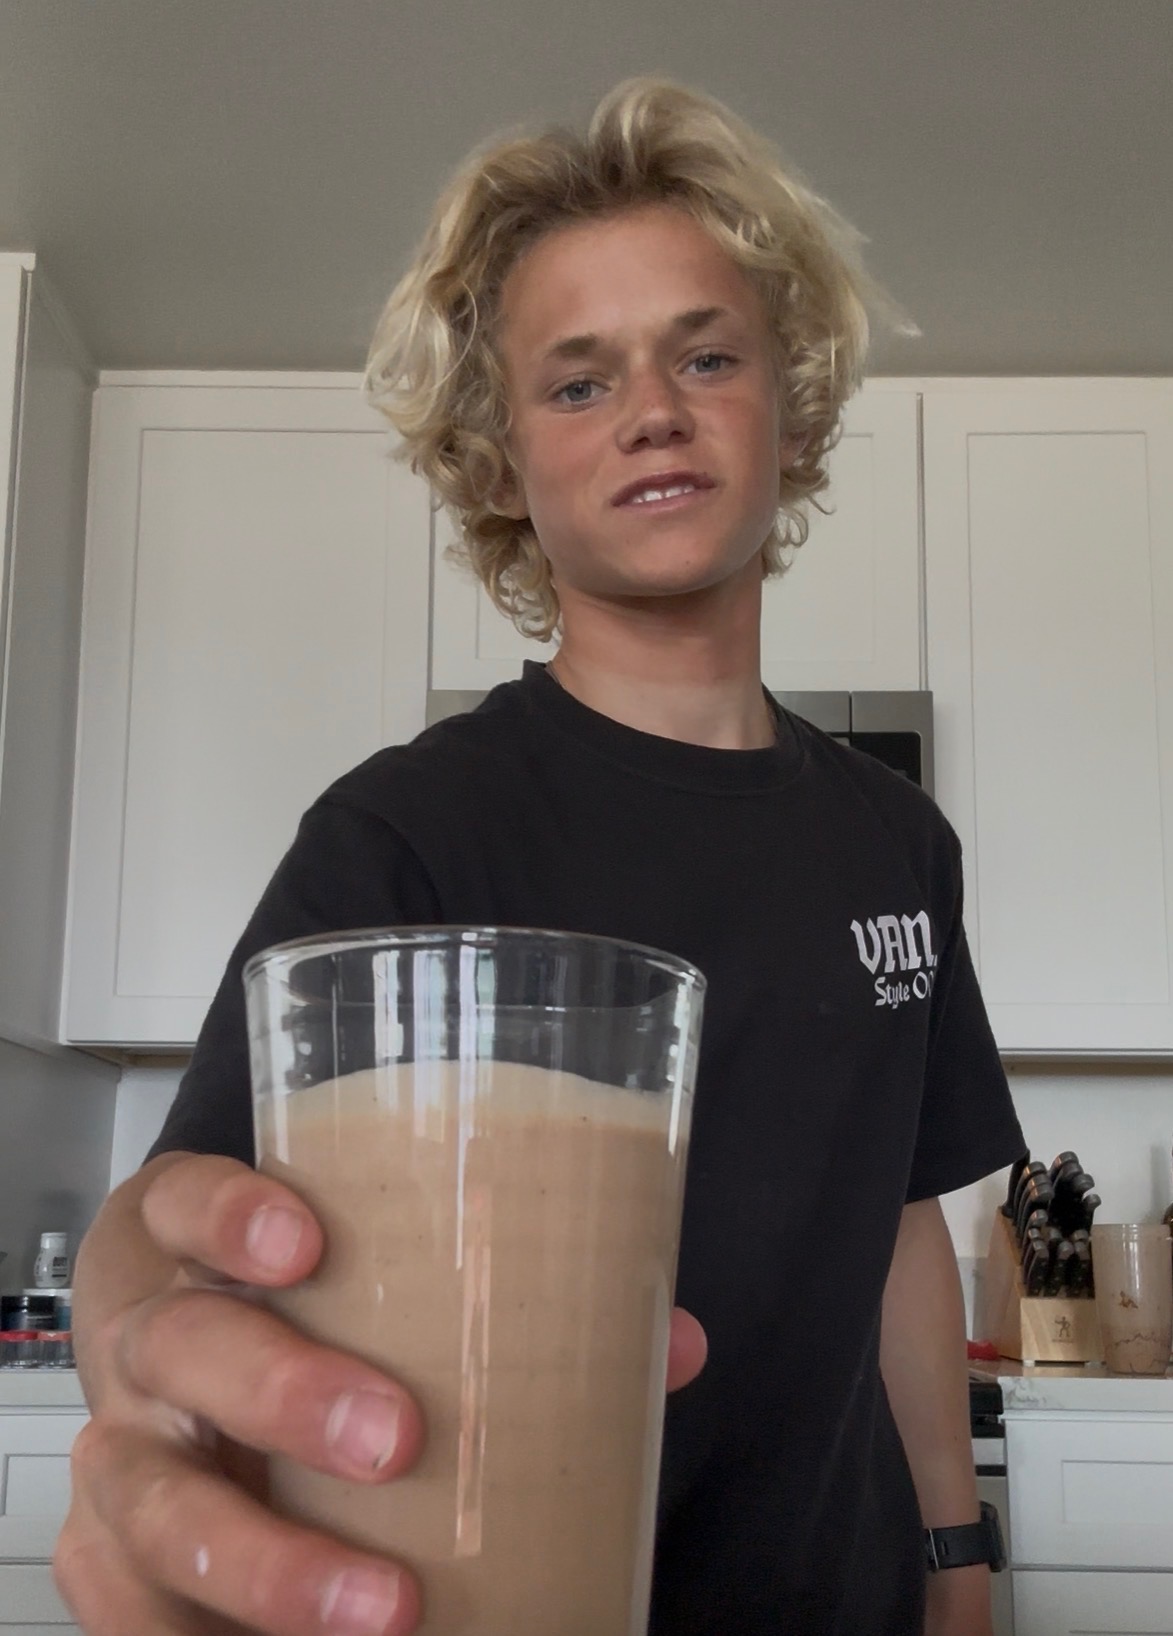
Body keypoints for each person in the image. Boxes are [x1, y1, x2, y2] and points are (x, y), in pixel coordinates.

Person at [59, 76, 1025, 1636]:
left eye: (706, 355)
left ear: (788, 407)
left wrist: (952, 1552)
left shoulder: (896, 839)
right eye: (577, 384)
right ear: (501, 463)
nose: (653, 405)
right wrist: (138, 1367)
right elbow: (178, 1213)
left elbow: (902, 1217)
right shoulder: (404, 830)